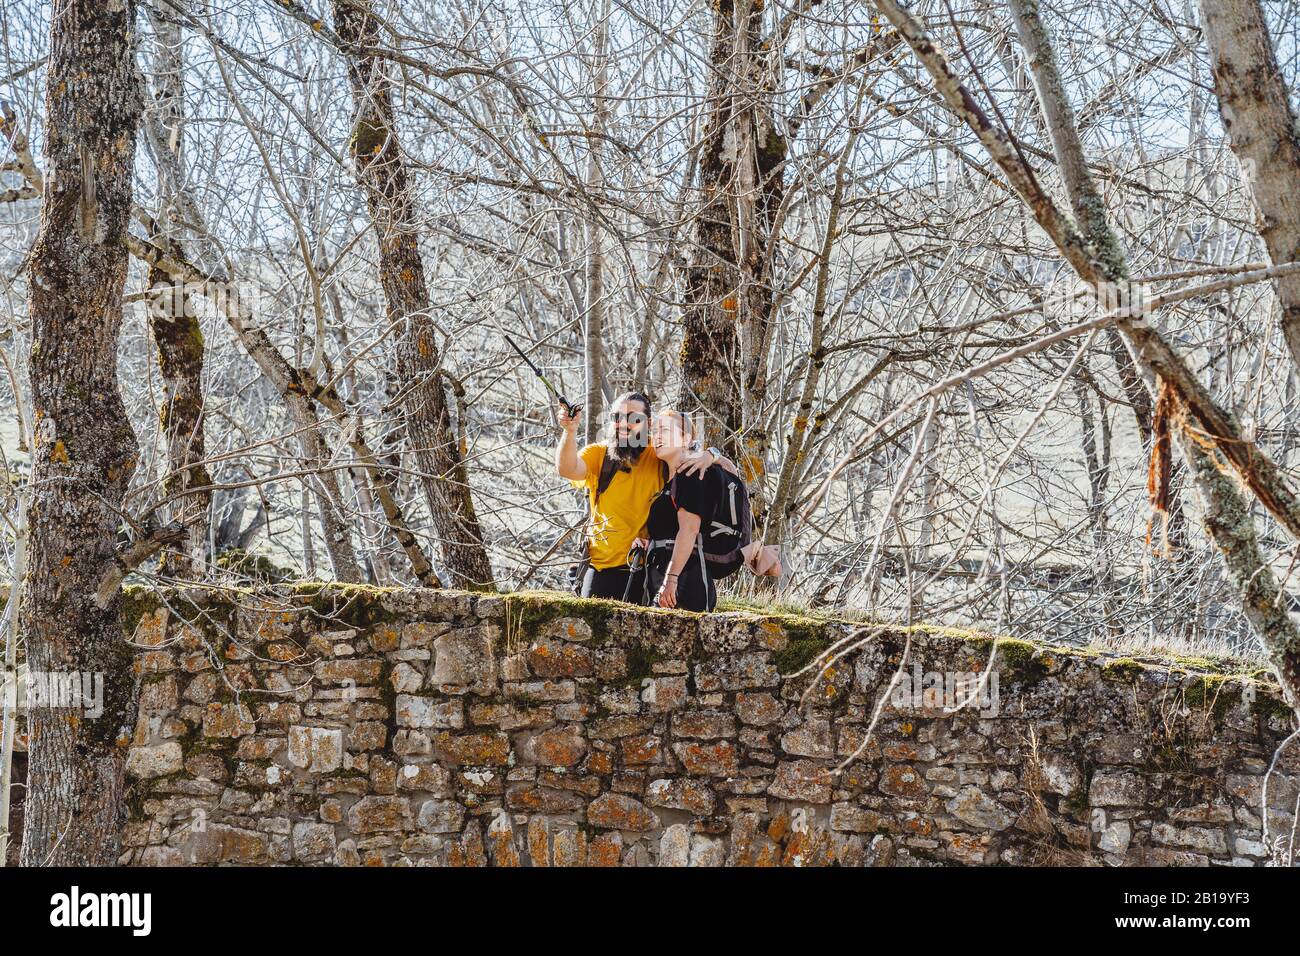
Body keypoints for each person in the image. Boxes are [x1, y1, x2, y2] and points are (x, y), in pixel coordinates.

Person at [555, 392, 724, 602]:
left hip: (648, 569)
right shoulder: (599, 455)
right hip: (602, 566)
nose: (623, 424)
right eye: (617, 417)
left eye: (634, 418)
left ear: (648, 422)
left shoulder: (660, 452)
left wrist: (711, 455)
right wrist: (569, 432)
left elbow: (715, 463)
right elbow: (567, 469)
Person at [645, 408, 719, 612]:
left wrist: (671, 579)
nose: (657, 436)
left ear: (685, 439)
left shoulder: (690, 473)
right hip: (663, 577)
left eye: (664, 430)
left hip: (685, 581)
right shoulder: (668, 479)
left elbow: (689, 529)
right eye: (655, 431)